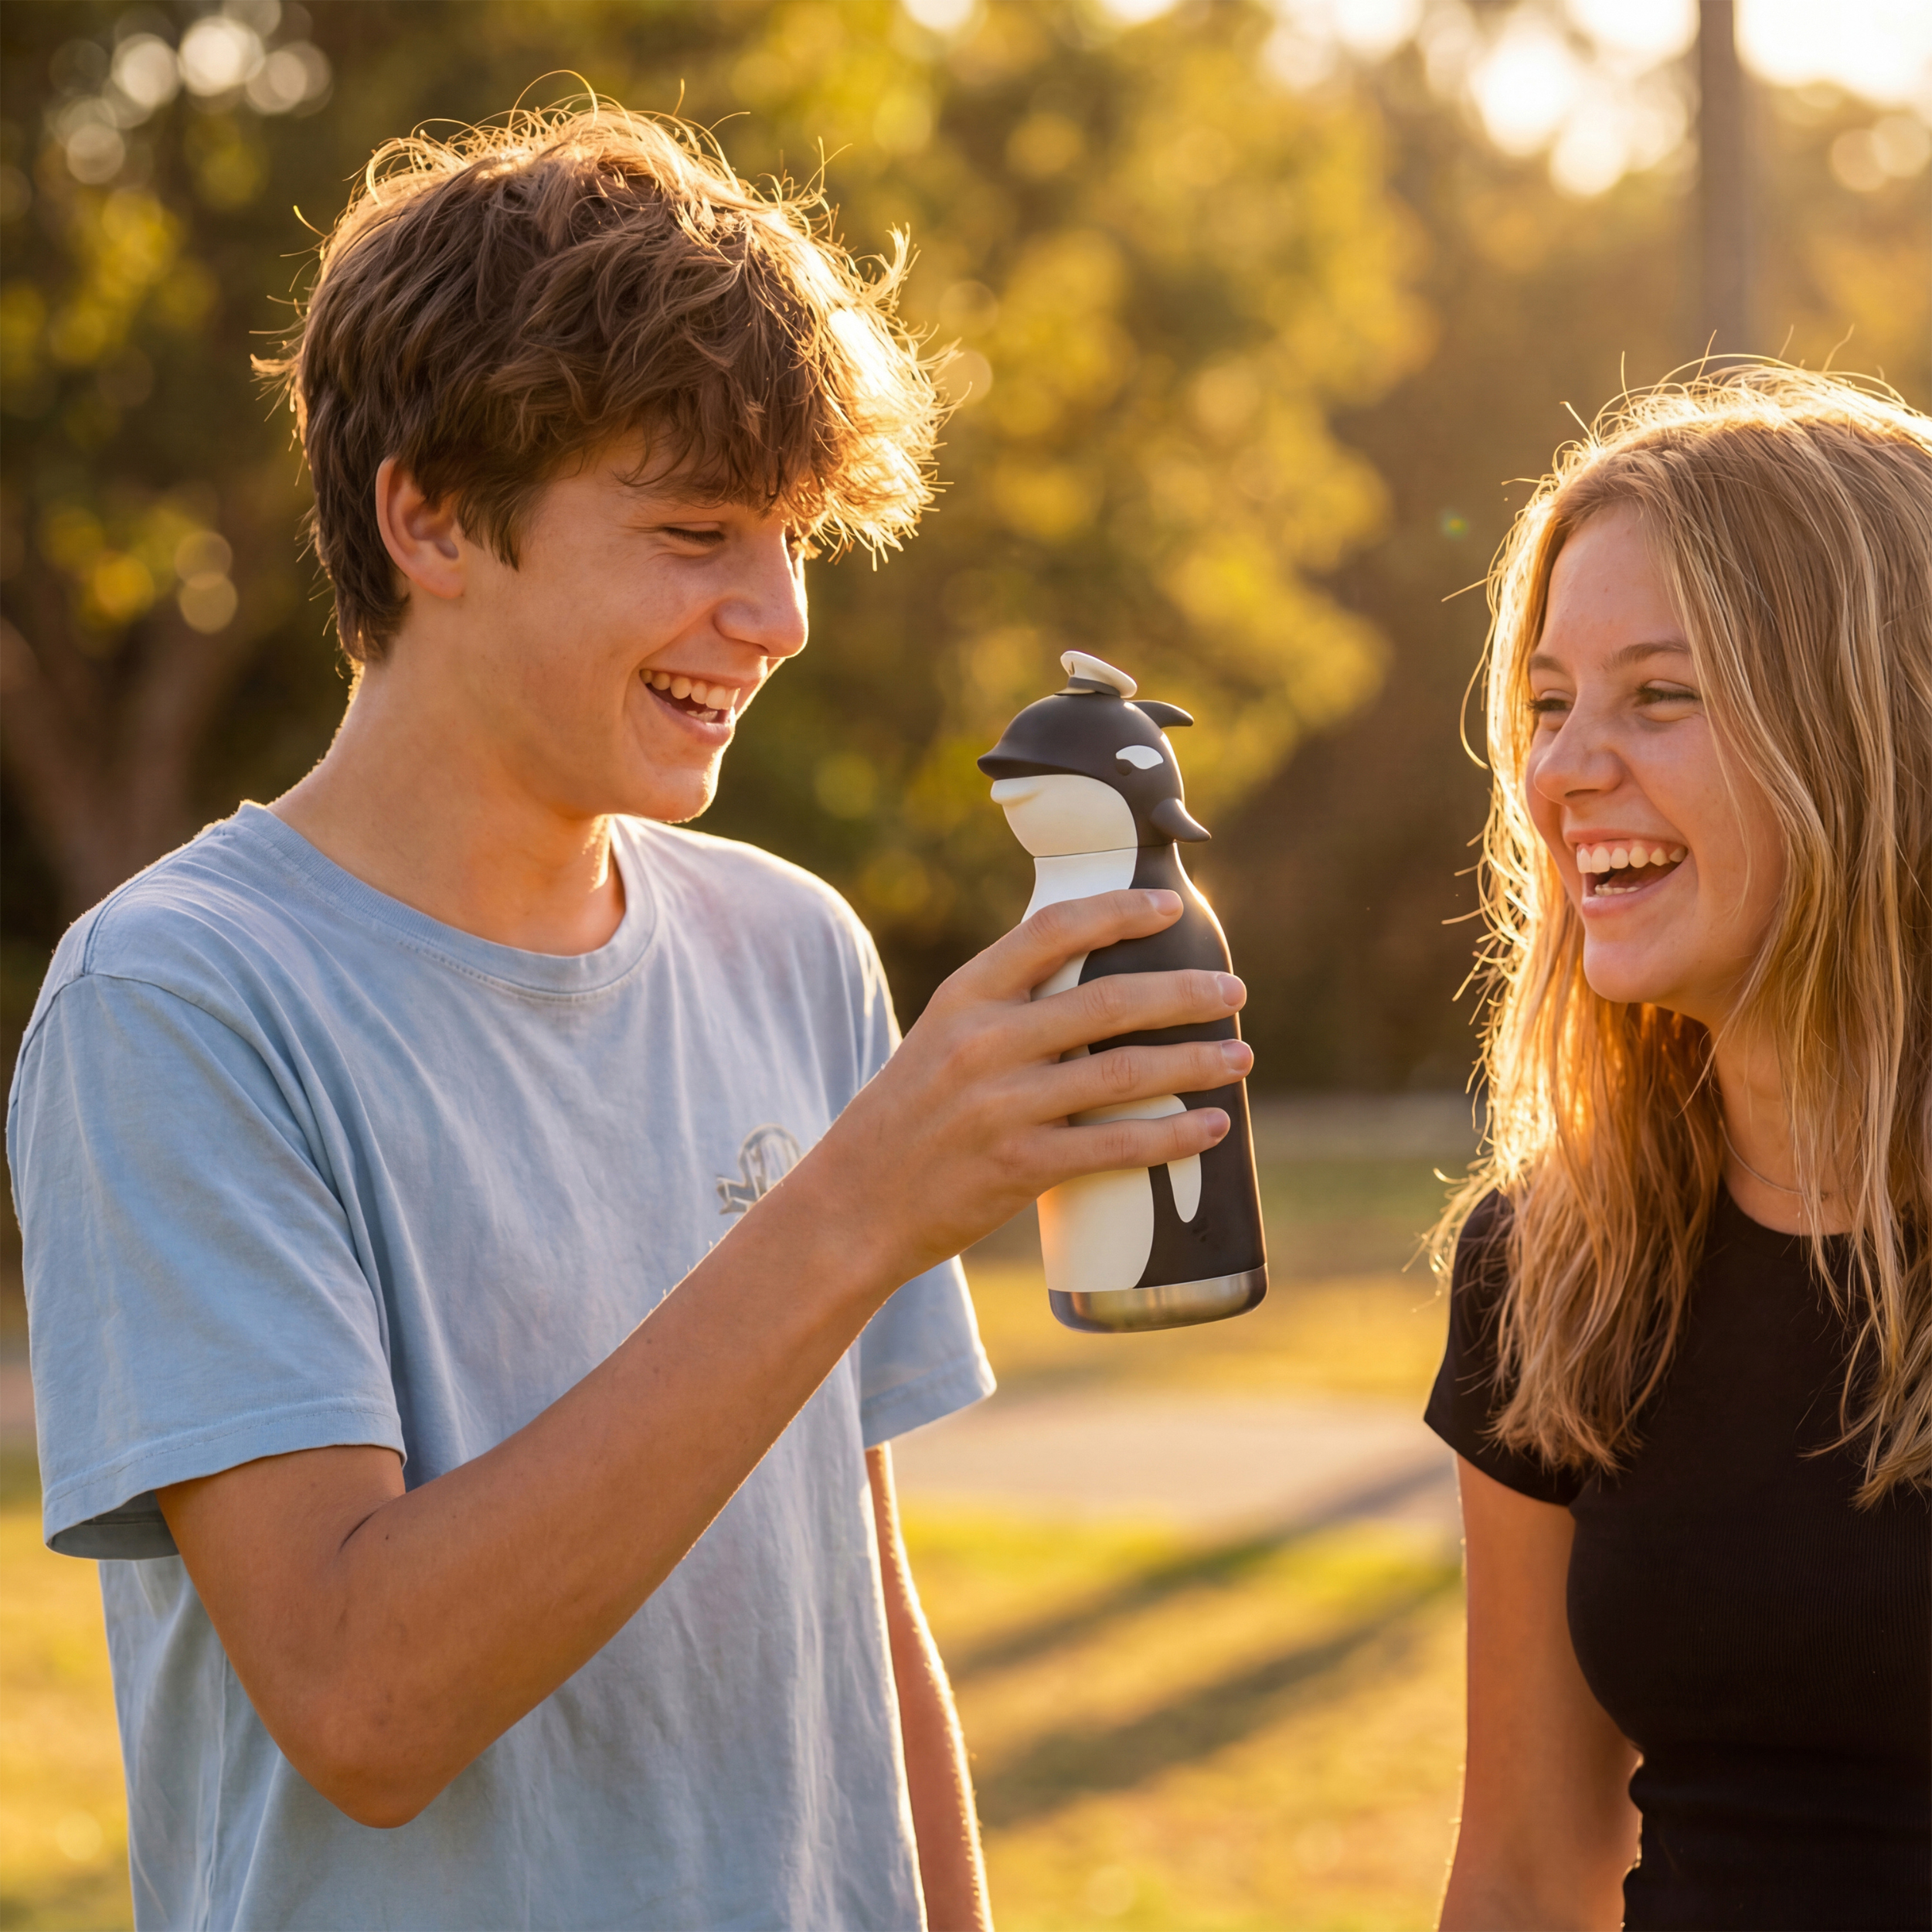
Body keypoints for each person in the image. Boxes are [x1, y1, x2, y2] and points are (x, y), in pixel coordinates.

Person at [5, 107, 1251, 1932]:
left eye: (792, 537)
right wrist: (851, 1209)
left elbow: (863, 1614)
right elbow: (362, 1697)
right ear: (426, 513)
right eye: (692, 532)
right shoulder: (178, 1001)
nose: (779, 613)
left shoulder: (791, 945)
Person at [1425, 366, 1932, 1930]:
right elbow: (1522, 1871)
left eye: (1658, 693)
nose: (1566, 771)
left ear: (1868, 730)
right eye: (1547, 701)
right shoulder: (1552, 1264)